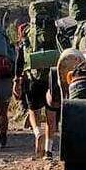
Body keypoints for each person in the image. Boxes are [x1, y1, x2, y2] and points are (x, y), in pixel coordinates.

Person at [13, 23, 59, 160]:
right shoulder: (53, 35)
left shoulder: (26, 40)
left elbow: (19, 62)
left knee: (33, 111)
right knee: (51, 116)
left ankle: (37, 131)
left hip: (32, 79)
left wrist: (16, 81)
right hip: (52, 78)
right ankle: (48, 151)